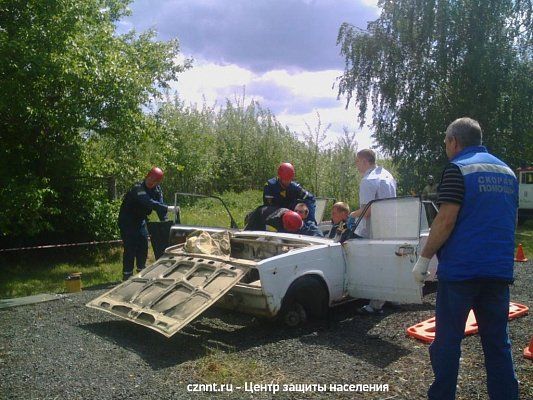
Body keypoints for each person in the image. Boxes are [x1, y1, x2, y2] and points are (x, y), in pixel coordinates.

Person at [412, 117, 519, 400]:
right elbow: (509, 219)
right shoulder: (508, 172)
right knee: (498, 344)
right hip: (498, 272)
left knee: (447, 342)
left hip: (461, 272)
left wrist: (424, 260)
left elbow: (445, 220)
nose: (446, 148)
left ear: (454, 142)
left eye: (446, 142)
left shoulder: (458, 168)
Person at [349, 149, 397, 315]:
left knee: (376, 265)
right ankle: (390, 295)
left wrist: (350, 215)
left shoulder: (368, 180)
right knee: (389, 262)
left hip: (376, 228)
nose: (356, 165)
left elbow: (366, 211)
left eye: (357, 161)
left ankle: (375, 304)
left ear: (364, 161)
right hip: (391, 225)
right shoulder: (387, 175)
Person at [118, 167, 175, 280]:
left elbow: (160, 206)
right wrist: (168, 208)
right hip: (127, 221)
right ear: (147, 176)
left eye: (154, 181)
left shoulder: (157, 190)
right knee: (130, 247)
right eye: (150, 178)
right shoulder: (138, 188)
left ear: (158, 182)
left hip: (140, 221)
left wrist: (165, 222)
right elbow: (148, 202)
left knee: (143, 245)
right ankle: (127, 275)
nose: (151, 181)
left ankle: (141, 273)